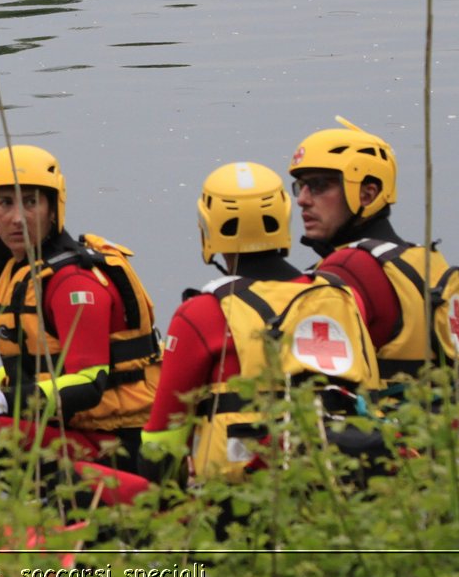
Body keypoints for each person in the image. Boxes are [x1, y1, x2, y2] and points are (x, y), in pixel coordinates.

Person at [140, 161, 381, 487]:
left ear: (208, 226)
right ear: (284, 217)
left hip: (238, 498)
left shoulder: (200, 314)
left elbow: (162, 444)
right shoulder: (343, 296)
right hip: (343, 481)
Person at [0, 145, 161, 474]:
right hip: (64, 431)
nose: (17, 218)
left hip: (114, 443)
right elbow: (32, 365)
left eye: (31, 202)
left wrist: (5, 402)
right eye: (5, 203)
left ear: (52, 209)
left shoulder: (73, 284)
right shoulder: (11, 269)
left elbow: (90, 384)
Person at [288, 118, 459, 391]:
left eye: (319, 185)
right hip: (451, 428)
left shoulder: (348, 269)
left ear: (368, 193)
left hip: (382, 430)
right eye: (301, 186)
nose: (303, 199)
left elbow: (312, 383)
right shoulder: (430, 261)